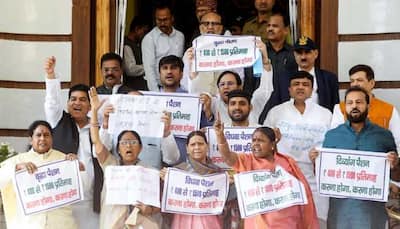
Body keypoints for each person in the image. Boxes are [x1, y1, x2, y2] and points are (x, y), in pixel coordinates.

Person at [310, 86, 400, 229]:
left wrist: (394, 163)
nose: (354, 106)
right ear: (345, 107)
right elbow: (324, 175)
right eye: (350, 103)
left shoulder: (383, 135)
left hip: (372, 212)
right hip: (340, 212)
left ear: (368, 105)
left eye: (359, 102)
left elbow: (395, 174)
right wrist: (316, 161)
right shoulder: (333, 136)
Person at [214, 115, 319, 228]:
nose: (255, 144)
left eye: (261, 140)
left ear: (272, 145)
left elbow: (302, 190)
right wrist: (220, 136)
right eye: (254, 140)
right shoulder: (247, 160)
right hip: (258, 223)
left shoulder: (287, 162)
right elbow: (228, 157)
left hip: (288, 221)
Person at [264, 71, 332, 227]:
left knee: (317, 221)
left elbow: (333, 144)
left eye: (305, 84)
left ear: (312, 89)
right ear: (289, 89)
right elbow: (263, 143)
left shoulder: (325, 114)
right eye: (296, 84)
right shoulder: (276, 112)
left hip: (314, 177)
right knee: (286, 221)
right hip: (284, 176)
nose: (300, 87)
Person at [89, 88, 161, 229]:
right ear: (118, 149)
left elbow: (158, 203)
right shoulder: (110, 164)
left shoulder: (149, 171)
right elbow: (97, 141)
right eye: (124, 142)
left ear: (140, 148)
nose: (129, 145)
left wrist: (150, 210)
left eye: (133, 142)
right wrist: (94, 112)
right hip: (113, 223)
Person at [44, 56, 100, 228]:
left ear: (90, 105)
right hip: (64, 198)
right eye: (73, 99)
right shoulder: (58, 120)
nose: (77, 103)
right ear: (67, 103)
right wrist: (51, 76)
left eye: (82, 99)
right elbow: (52, 101)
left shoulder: (97, 127)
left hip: (91, 200)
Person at [0, 120, 80, 229]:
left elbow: (81, 185)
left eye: (46, 135)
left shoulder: (63, 159)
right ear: (30, 139)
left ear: (52, 139)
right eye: (38, 135)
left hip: (61, 222)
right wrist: (17, 168)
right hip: (30, 224)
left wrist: (75, 165)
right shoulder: (19, 160)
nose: (42, 138)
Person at [160, 131, 224, 229]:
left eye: (201, 144)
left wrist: (228, 183)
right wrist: (167, 181)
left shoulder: (217, 173)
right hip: (183, 220)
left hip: (209, 221)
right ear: (187, 148)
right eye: (193, 144)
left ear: (207, 146)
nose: (197, 147)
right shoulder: (178, 171)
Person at [200, 40, 273, 125]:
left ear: (240, 87)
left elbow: (266, 89)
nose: (226, 87)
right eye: (222, 84)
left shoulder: (253, 103)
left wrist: (265, 61)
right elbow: (196, 93)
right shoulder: (214, 103)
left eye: (230, 83)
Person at [330, 64, 400, 152]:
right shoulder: (340, 108)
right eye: (352, 81)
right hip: (348, 159)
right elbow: (335, 138)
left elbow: (397, 142)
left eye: (359, 80)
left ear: (371, 83)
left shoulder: (389, 110)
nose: (355, 84)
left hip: (378, 160)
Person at [181, 11, 238, 95]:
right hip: (199, 99)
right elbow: (184, 85)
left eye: (215, 24)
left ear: (221, 28)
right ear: (200, 28)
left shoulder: (232, 51)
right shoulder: (190, 53)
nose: (210, 27)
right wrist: (192, 73)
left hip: (223, 102)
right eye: (206, 24)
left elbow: (239, 80)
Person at [257, 9, 298, 123]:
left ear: (285, 30)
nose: (270, 29)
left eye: (275, 26)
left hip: (286, 105)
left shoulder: (293, 53)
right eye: (268, 25)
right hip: (262, 104)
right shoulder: (259, 53)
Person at [142, 4, 185, 91]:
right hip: (158, 87)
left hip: (179, 88)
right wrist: (156, 94)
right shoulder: (149, 39)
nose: (162, 23)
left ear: (172, 18)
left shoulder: (180, 36)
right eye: (159, 20)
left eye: (165, 20)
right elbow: (149, 69)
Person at [293, 36, 339, 112]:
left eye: (307, 52)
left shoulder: (329, 79)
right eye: (299, 53)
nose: (303, 57)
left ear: (316, 54)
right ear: (294, 55)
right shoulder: (283, 78)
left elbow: (335, 108)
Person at [123, 16, 150, 91]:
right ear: (137, 29)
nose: (145, 35)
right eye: (144, 31)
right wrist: (149, 67)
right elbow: (130, 69)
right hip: (132, 89)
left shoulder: (137, 44)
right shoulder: (127, 45)